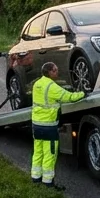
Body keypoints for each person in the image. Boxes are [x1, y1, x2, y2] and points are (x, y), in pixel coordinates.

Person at [31, 61, 85, 189]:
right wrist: (83, 93)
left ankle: (35, 178)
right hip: (48, 126)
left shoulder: (37, 84)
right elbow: (69, 97)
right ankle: (48, 183)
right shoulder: (52, 87)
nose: (57, 72)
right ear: (50, 72)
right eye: (55, 70)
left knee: (38, 152)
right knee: (50, 154)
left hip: (36, 125)